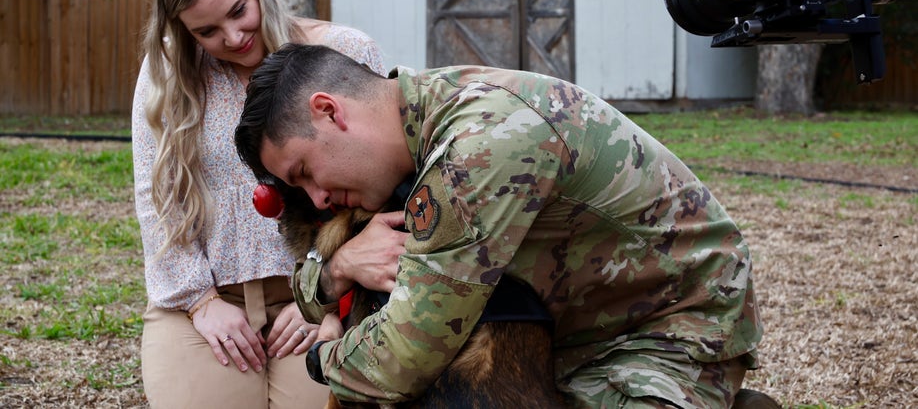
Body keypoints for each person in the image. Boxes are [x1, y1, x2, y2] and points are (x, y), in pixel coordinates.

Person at [233, 43, 765, 408]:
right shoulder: (416, 120)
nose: (318, 197)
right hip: (582, 326)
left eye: (305, 173)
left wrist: (320, 360)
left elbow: (407, 355)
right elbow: (335, 280)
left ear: (329, 111)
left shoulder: (479, 146)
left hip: (667, 327)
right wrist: (333, 273)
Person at [131, 0, 405, 408]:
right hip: (209, 303)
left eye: (239, 11)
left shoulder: (342, 50)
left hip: (326, 299)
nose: (233, 38)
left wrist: (325, 295)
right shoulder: (169, 75)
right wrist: (200, 303)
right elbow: (157, 200)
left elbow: (383, 185)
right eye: (206, 31)